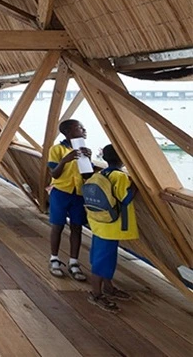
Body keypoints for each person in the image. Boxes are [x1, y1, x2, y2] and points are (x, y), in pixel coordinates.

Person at [87, 144, 138, 313]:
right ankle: (96, 294)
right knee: (103, 262)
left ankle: (107, 287)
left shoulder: (101, 173)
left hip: (100, 224)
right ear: (122, 158)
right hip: (112, 226)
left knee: (101, 258)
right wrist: (135, 187)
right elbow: (125, 198)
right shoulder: (120, 177)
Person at [47, 119, 91, 281]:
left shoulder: (83, 149)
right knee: (57, 225)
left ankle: (74, 261)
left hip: (78, 193)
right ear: (68, 132)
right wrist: (66, 160)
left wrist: (88, 159)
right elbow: (54, 173)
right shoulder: (57, 149)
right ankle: (54, 259)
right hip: (61, 191)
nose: (84, 129)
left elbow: (87, 175)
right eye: (80, 127)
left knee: (77, 227)